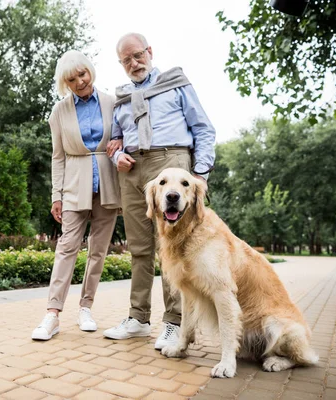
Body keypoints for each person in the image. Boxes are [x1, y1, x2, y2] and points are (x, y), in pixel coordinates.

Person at [103, 33, 216, 350]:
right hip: (133, 171)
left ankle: (174, 323)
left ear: (150, 52)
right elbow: (115, 139)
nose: (133, 63)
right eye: (126, 60)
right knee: (139, 248)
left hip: (171, 162)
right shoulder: (122, 97)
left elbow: (204, 128)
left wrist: (201, 173)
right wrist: (116, 155)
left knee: (175, 248)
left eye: (138, 55)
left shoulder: (176, 82)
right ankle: (138, 319)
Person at [32, 50, 121, 341]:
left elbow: (122, 141)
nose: (80, 81)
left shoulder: (112, 102)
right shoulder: (59, 112)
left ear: (90, 71)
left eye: (83, 74)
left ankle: (86, 308)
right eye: (72, 79)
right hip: (73, 185)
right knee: (66, 247)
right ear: (65, 83)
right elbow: (58, 157)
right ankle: (52, 314)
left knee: (98, 250)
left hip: (108, 183)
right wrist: (56, 195)